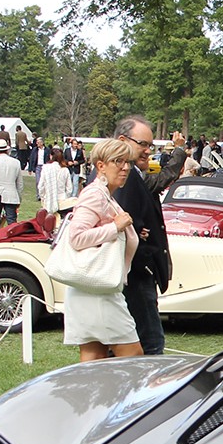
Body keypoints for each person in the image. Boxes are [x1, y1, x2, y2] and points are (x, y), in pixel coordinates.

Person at [60, 137, 144, 363]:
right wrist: (115, 227)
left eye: (127, 162)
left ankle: (91, 399)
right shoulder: (95, 194)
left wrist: (127, 232)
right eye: (118, 161)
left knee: (94, 357)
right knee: (133, 358)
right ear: (101, 165)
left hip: (92, 289)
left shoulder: (104, 194)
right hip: (98, 291)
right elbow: (76, 237)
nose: (125, 167)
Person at [111, 115, 170, 355]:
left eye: (150, 145)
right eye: (142, 144)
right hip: (133, 275)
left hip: (133, 272)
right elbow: (119, 224)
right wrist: (139, 239)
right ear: (123, 140)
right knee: (150, 345)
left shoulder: (131, 174)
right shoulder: (126, 177)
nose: (148, 151)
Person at [37, 148, 74, 215]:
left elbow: (41, 186)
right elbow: (69, 189)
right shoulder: (65, 170)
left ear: (51, 156)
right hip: (62, 200)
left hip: (48, 199)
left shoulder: (46, 168)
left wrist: (43, 197)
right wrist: (66, 196)